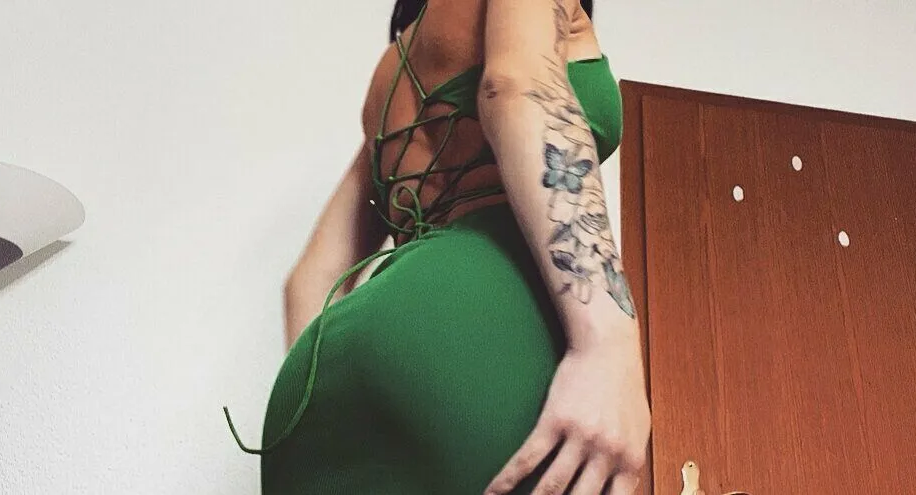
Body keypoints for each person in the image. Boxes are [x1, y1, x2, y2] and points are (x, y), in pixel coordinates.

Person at [223, 0, 651, 493]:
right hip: (474, 337)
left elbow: (311, 278)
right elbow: (516, 85)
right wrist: (607, 344)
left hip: (323, 374)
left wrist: (333, 384)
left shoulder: (390, 72)